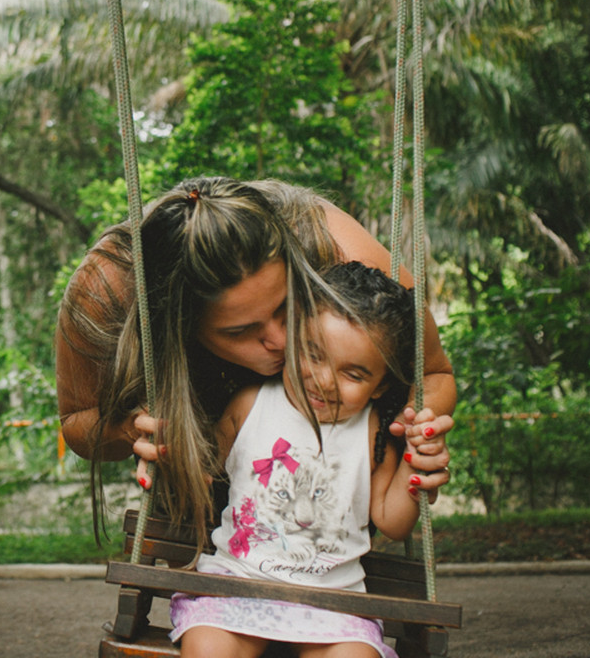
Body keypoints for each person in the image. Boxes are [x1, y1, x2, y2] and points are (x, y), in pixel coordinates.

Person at [54, 177, 453, 534]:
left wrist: (417, 439)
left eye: (285, 307)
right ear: (181, 327)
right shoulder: (108, 289)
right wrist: (137, 428)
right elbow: (77, 424)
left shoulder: (343, 255)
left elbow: (434, 373)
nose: (279, 341)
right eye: (240, 331)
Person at [169, 260, 438, 658]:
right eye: (313, 354)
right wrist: (174, 456)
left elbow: (393, 522)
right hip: (238, 584)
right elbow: (201, 473)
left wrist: (417, 463)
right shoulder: (249, 405)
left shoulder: (372, 433)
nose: (324, 380)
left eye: (353, 374)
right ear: (293, 338)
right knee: (208, 648)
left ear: (381, 385)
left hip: (333, 602)